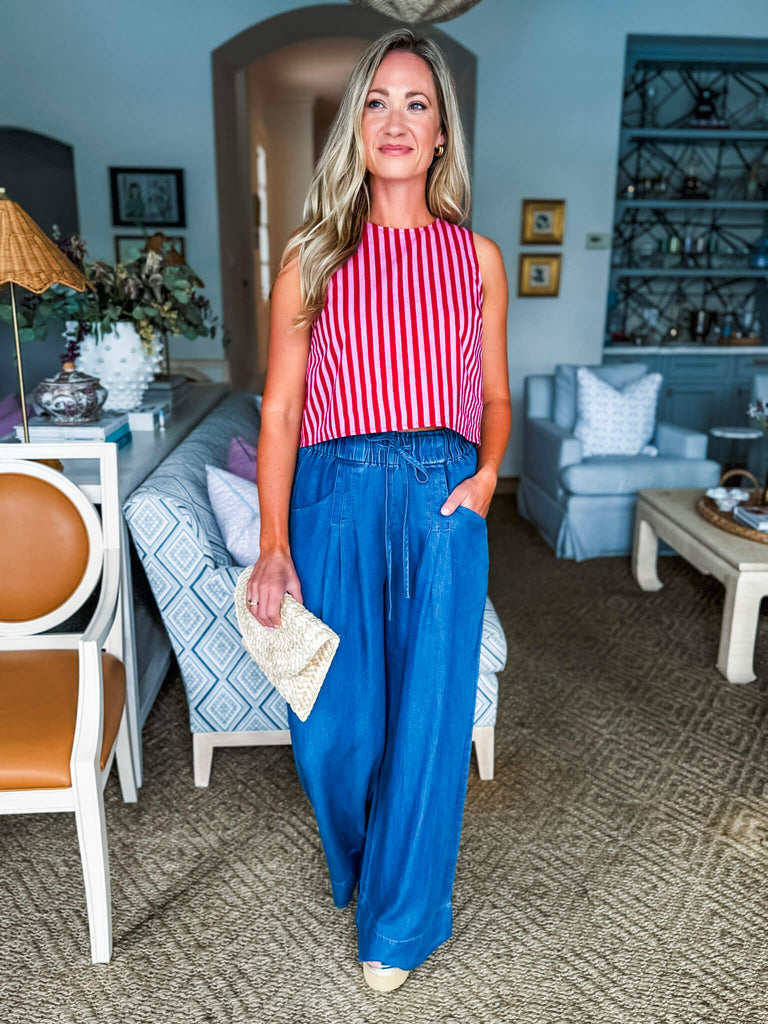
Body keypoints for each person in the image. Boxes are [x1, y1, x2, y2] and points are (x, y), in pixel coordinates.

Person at [247, 27, 510, 992]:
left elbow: (495, 396)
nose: (396, 121)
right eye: (377, 102)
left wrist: (487, 478)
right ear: (354, 126)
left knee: (430, 718)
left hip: (443, 499)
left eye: (417, 104)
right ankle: (364, 859)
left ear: (441, 135)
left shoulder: (476, 260)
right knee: (335, 726)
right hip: (335, 500)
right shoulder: (311, 257)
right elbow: (280, 411)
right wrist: (274, 544)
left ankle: (399, 924)